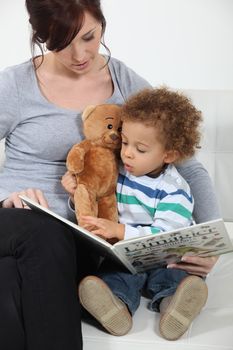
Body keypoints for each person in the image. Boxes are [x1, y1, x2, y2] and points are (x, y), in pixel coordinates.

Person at [0, 0, 219, 349]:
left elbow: (188, 165)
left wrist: (208, 242)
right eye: (61, 41)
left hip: (82, 239)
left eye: (89, 36)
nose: (79, 54)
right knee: (41, 232)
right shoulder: (14, 84)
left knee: (9, 279)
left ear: (102, 22)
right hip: (14, 220)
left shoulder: (124, 82)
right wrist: (6, 195)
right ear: (41, 36)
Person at [65, 87, 212, 340]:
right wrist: (78, 193)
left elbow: (166, 235)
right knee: (115, 275)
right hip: (128, 255)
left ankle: (174, 306)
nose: (127, 153)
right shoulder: (119, 170)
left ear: (169, 155)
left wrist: (120, 231)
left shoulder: (174, 190)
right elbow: (101, 198)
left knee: (174, 276)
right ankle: (116, 308)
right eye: (124, 142)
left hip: (166, 256)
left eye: (140, 149)